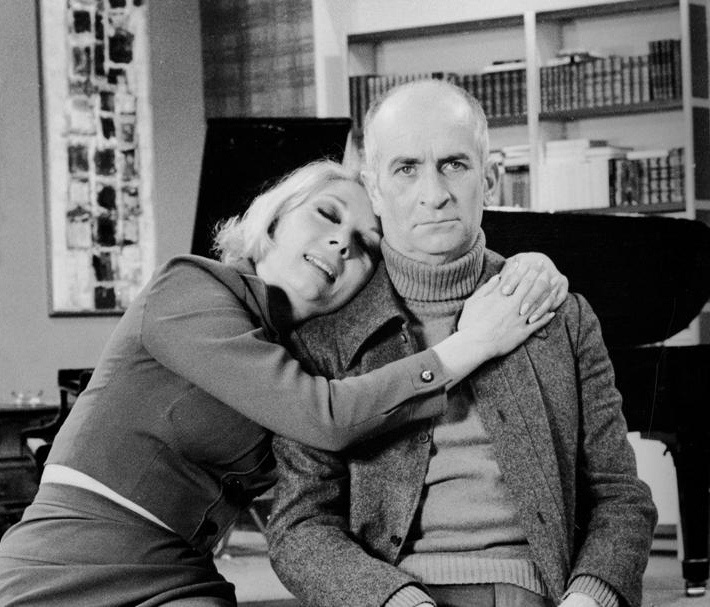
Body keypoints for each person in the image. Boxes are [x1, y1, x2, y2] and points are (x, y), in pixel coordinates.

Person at [0, 158, 569, 607]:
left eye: (364, 247)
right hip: (69, 560)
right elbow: (324, 418)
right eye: (327, 216)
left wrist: (526, 269)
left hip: (180, 574)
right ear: (273, 220)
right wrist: (474, 343)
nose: (342, 243)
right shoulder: (188, 287)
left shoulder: (311, 356)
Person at [265, 79, 657, 607]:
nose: (434, 194)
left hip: (542, 592)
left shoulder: (563, 316)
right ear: (374, 190)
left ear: (489, 180)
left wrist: (590, 598)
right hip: (390, 595)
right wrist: (395, 601)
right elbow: (299, 526)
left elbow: (621, 496)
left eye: (454, 164)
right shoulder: (325, 340)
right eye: (407, 169)